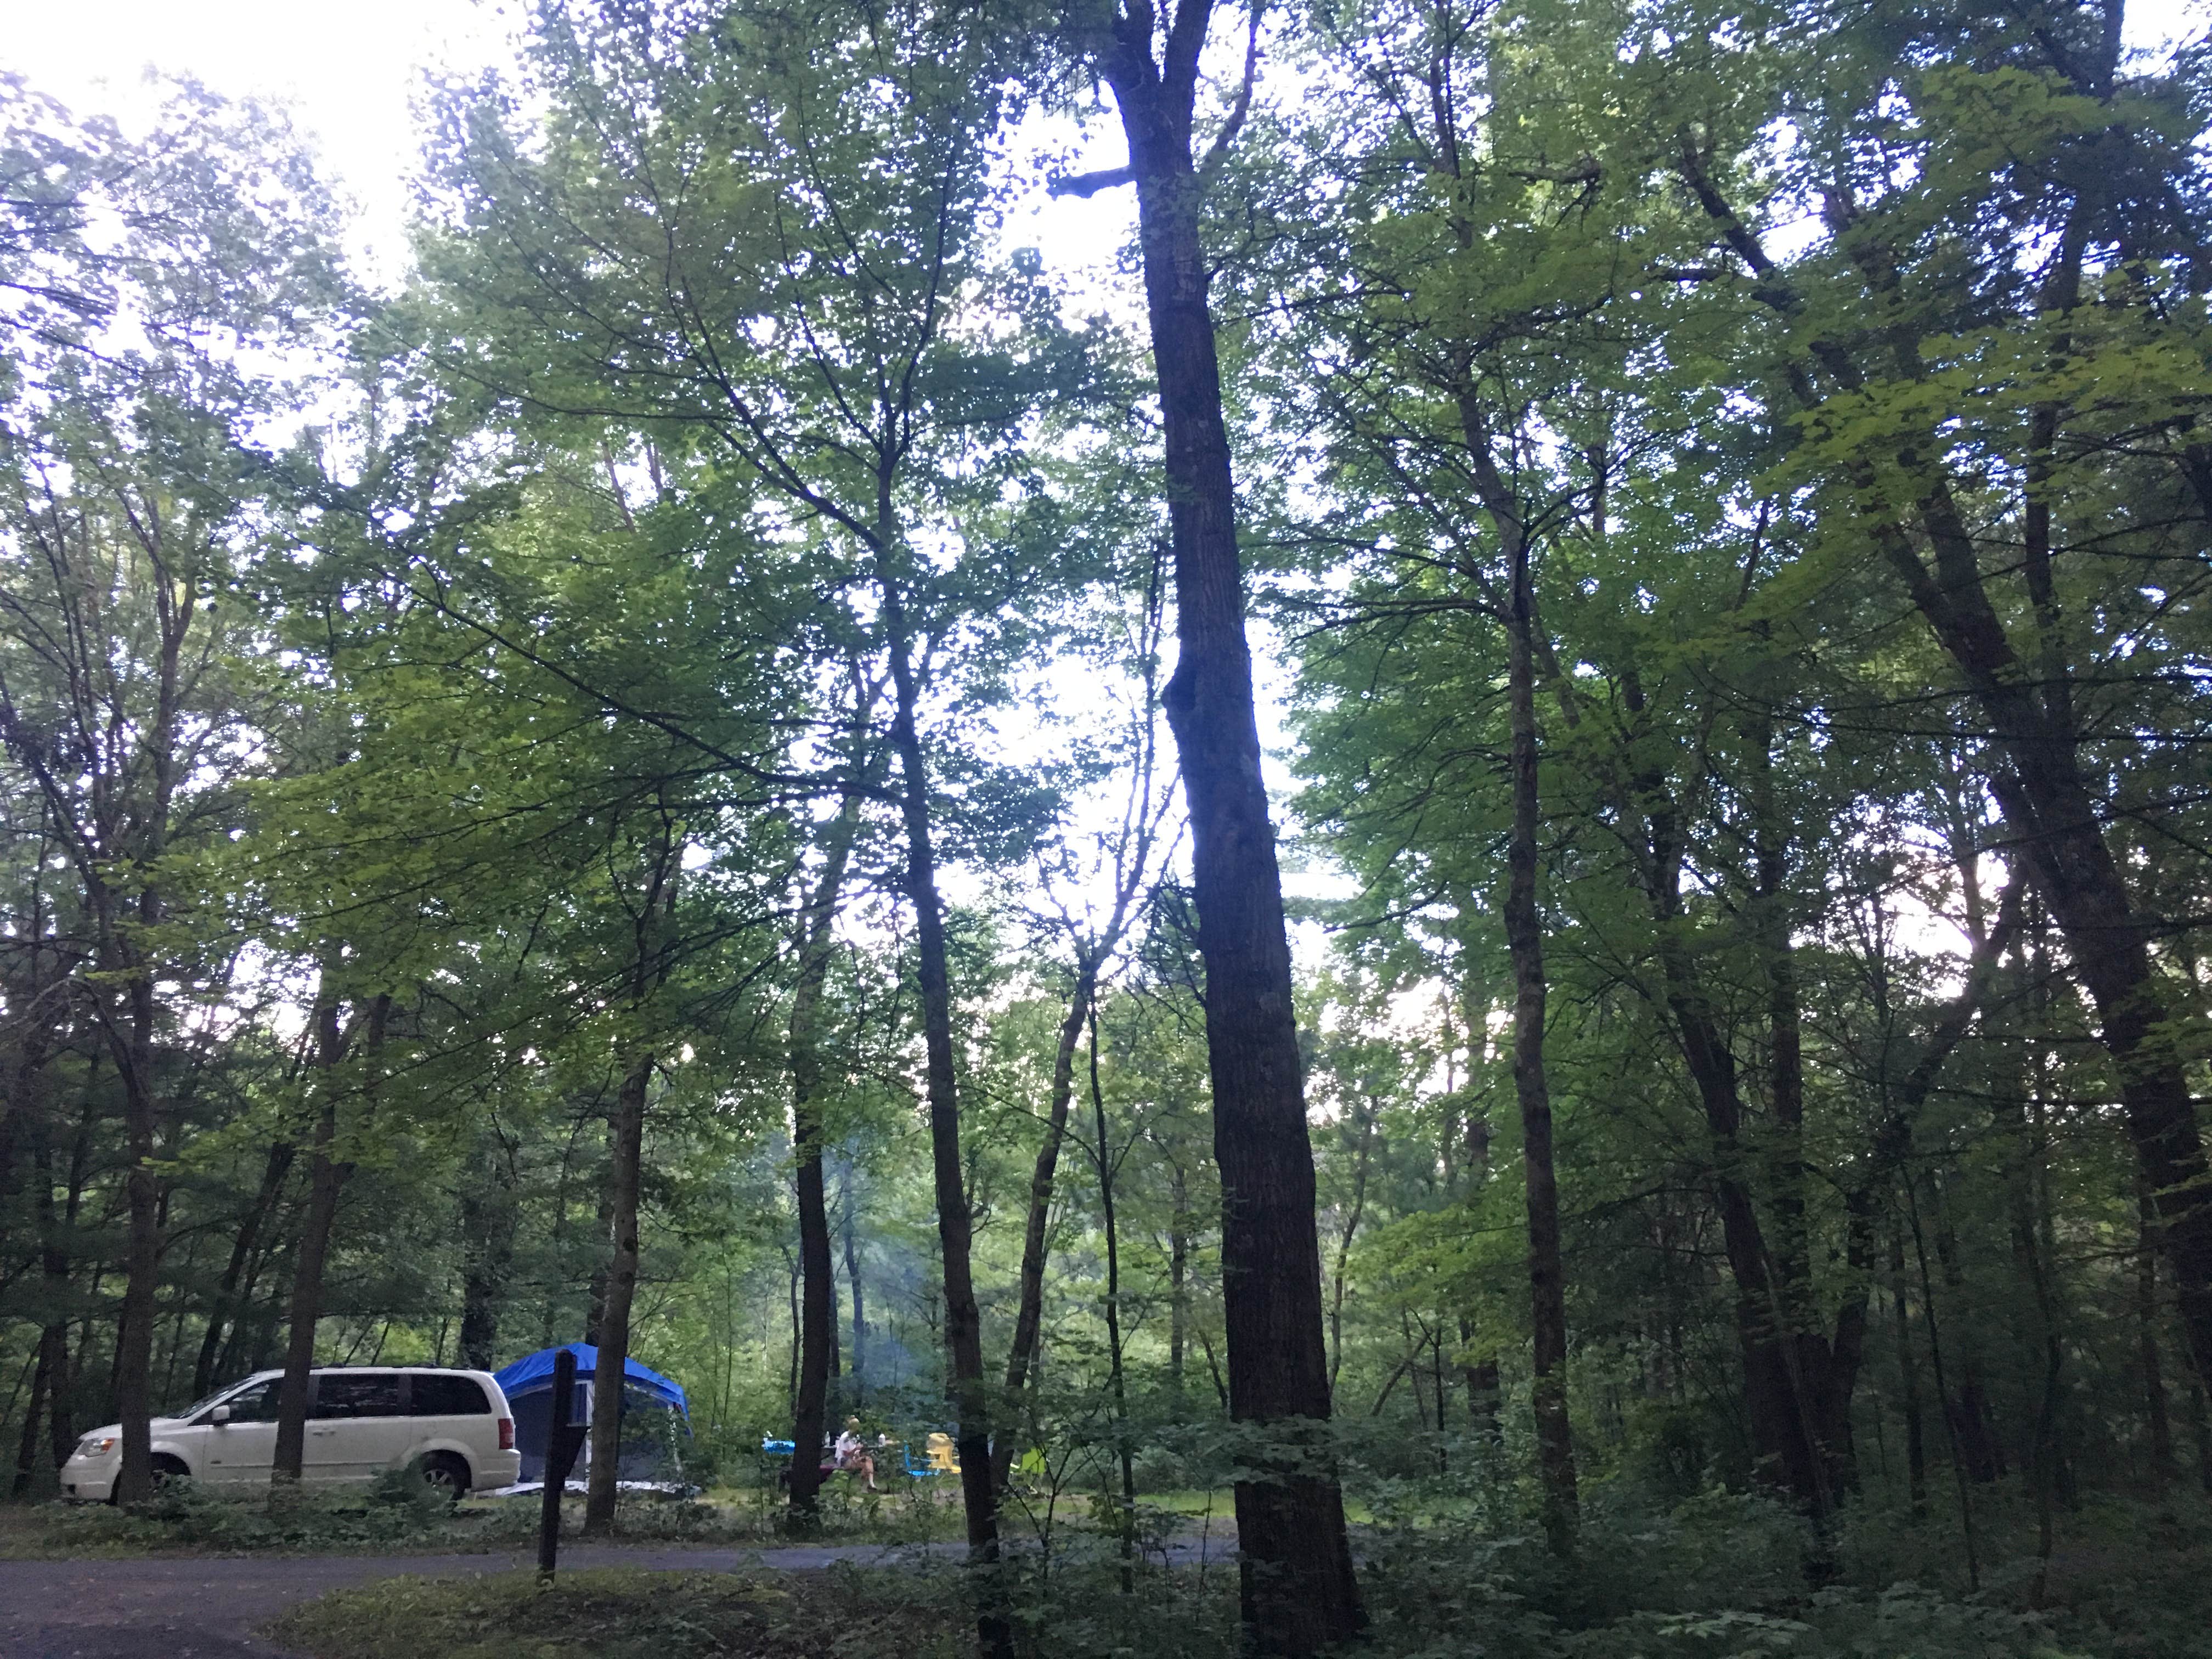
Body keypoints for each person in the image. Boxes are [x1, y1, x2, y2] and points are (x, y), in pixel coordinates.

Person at [833, 1417, 877, 1491]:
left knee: (868, 1460)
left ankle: (870, 1484)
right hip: (843, 1460)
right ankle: (866, 1486)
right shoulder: (845, 1437)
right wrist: (856, 1449)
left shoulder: (856, 1437)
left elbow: (856, 1452)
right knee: (865, 1465)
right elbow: (846, 1454)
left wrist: (858, 1452)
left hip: (853, 1459)